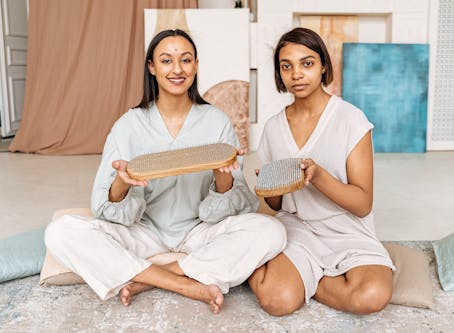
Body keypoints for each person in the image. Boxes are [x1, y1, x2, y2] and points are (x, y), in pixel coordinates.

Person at [45, 29, 285, 314]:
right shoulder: (128, 125)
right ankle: (183, 282)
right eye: (166, 60)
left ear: (196, 65)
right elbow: (102, 207)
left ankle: (148, 278)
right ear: (152, 66)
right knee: (60, 232)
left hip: (200, 231)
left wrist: (223, 179)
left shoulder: (216, 121)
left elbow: (241, 204)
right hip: (144, 231)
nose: (177, 69)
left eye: (185, 60)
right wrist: (122, 184)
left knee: (272, 231)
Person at [248, 27, 395, 316]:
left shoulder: (351, 120)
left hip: (347, 229)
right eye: (286, 66)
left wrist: (318, 176)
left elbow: (363, 204)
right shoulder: (273, 127)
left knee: (371, 296)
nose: (297, 74)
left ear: (323, 65)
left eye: (307, 63)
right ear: (279, 73)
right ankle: (302, 277)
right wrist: (270, 189)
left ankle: (306, 280)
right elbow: (275, 206)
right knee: (275, 301)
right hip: (297, 228)